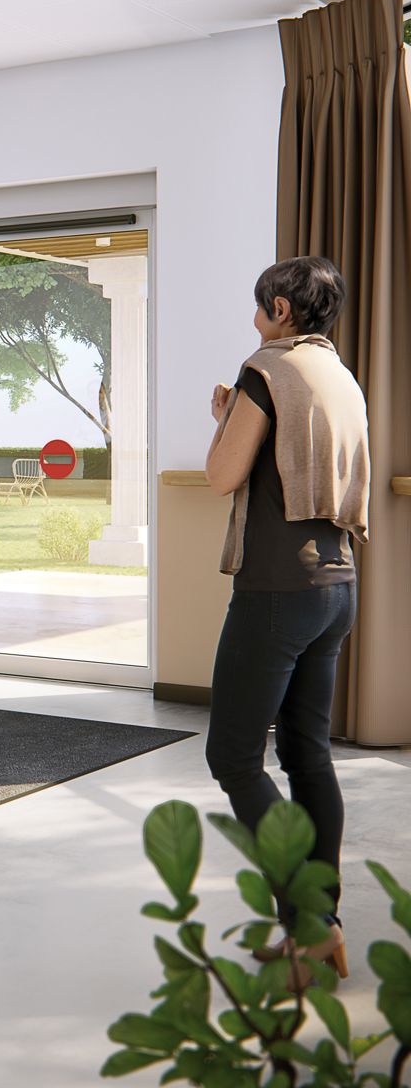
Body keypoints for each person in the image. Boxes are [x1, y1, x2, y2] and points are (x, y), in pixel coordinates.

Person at [203, 256, 369, 984]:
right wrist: (234, 418)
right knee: (308, 754)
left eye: (257, 308)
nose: (253, 321)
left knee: (234, 758)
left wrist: (225, 422)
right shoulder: (339, 374)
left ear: (278, 306)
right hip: (338, 583)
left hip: (277, 588)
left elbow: (221, 477)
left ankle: (309, 923)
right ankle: (321, 927)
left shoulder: (265, 368)